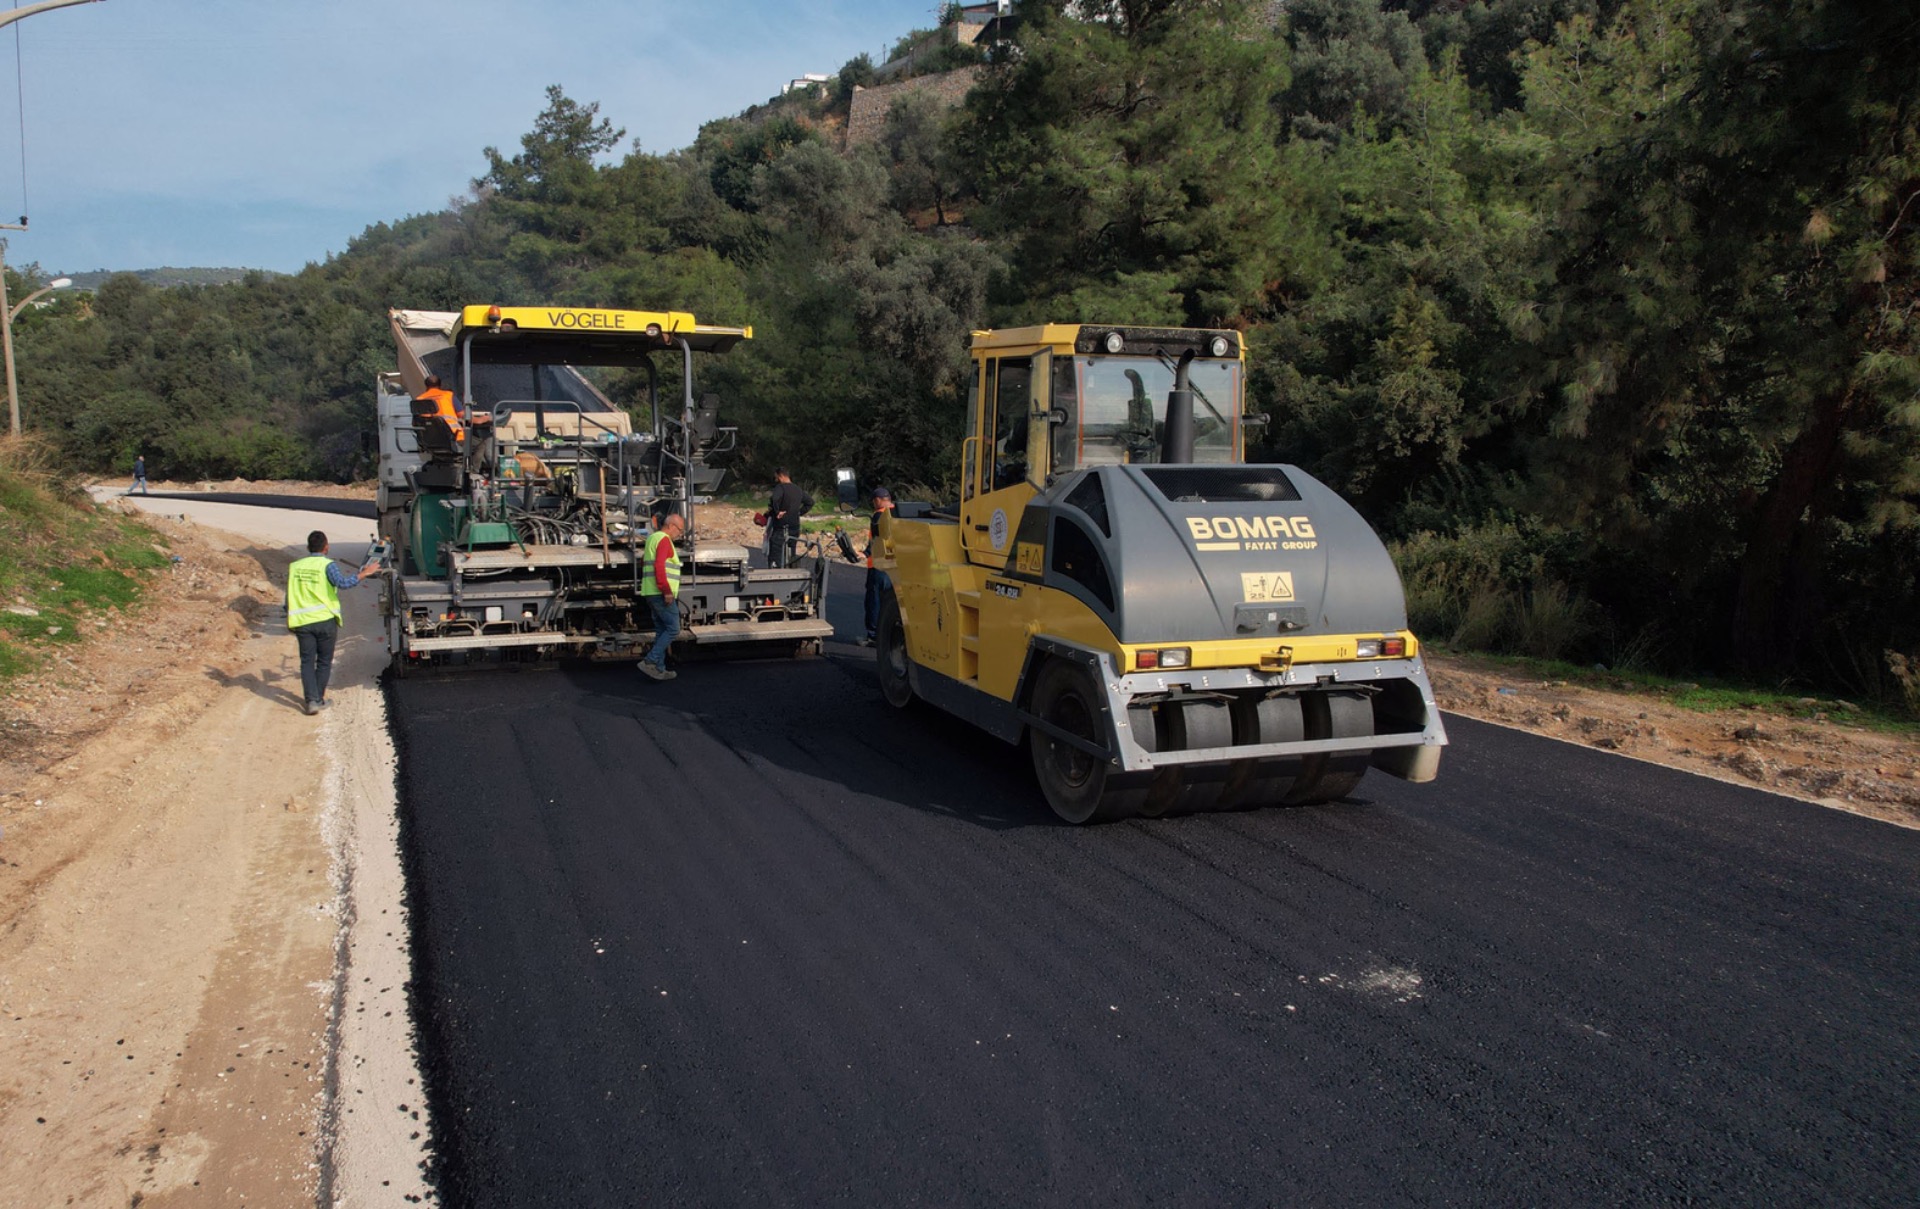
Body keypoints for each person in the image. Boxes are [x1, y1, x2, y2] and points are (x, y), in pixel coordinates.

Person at [286, 530, 380, 716]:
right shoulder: (327, 565)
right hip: (324, 621)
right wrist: (365, 574)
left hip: (302, 622)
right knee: (323, 661)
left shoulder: (295, 567)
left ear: (308, 547)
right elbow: (343, 583)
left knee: (306, 662)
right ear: (326, 547)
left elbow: (288, 595)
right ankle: (318, 699)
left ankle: (311, 701)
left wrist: (288, 616)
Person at [637, 511, 685, 682]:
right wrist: (666, 591)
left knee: (661, 630)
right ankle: (649, 661)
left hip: (650, 592)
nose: (680, 534)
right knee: (673, 629)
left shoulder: (652, 538)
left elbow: (644, 561)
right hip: (661, 593)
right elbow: (659, 566)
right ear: (671, 526)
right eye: (679, 530)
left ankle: (660, 668)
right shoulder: (664, 540)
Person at [860, 486, 894, 646]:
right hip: (895, 566)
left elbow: (876, 540)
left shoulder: (878, 516)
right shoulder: (898, 513)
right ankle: (889, 634)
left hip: (878, 565)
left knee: (874, 600)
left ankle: (873, 635)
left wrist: (866, 553)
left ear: (878, 500)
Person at [765, 468, 810, 567]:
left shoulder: (780, 488)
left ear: (781, 476)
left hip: (781, 527)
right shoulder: (798, 489)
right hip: (794, 527)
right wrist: (798, 513)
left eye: (776, 478)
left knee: (775, 553)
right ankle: (791, 572)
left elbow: (774, 499)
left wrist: (777, 512)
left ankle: (775, 573)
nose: (776, 480)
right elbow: (810, 502)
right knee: (791, 553)